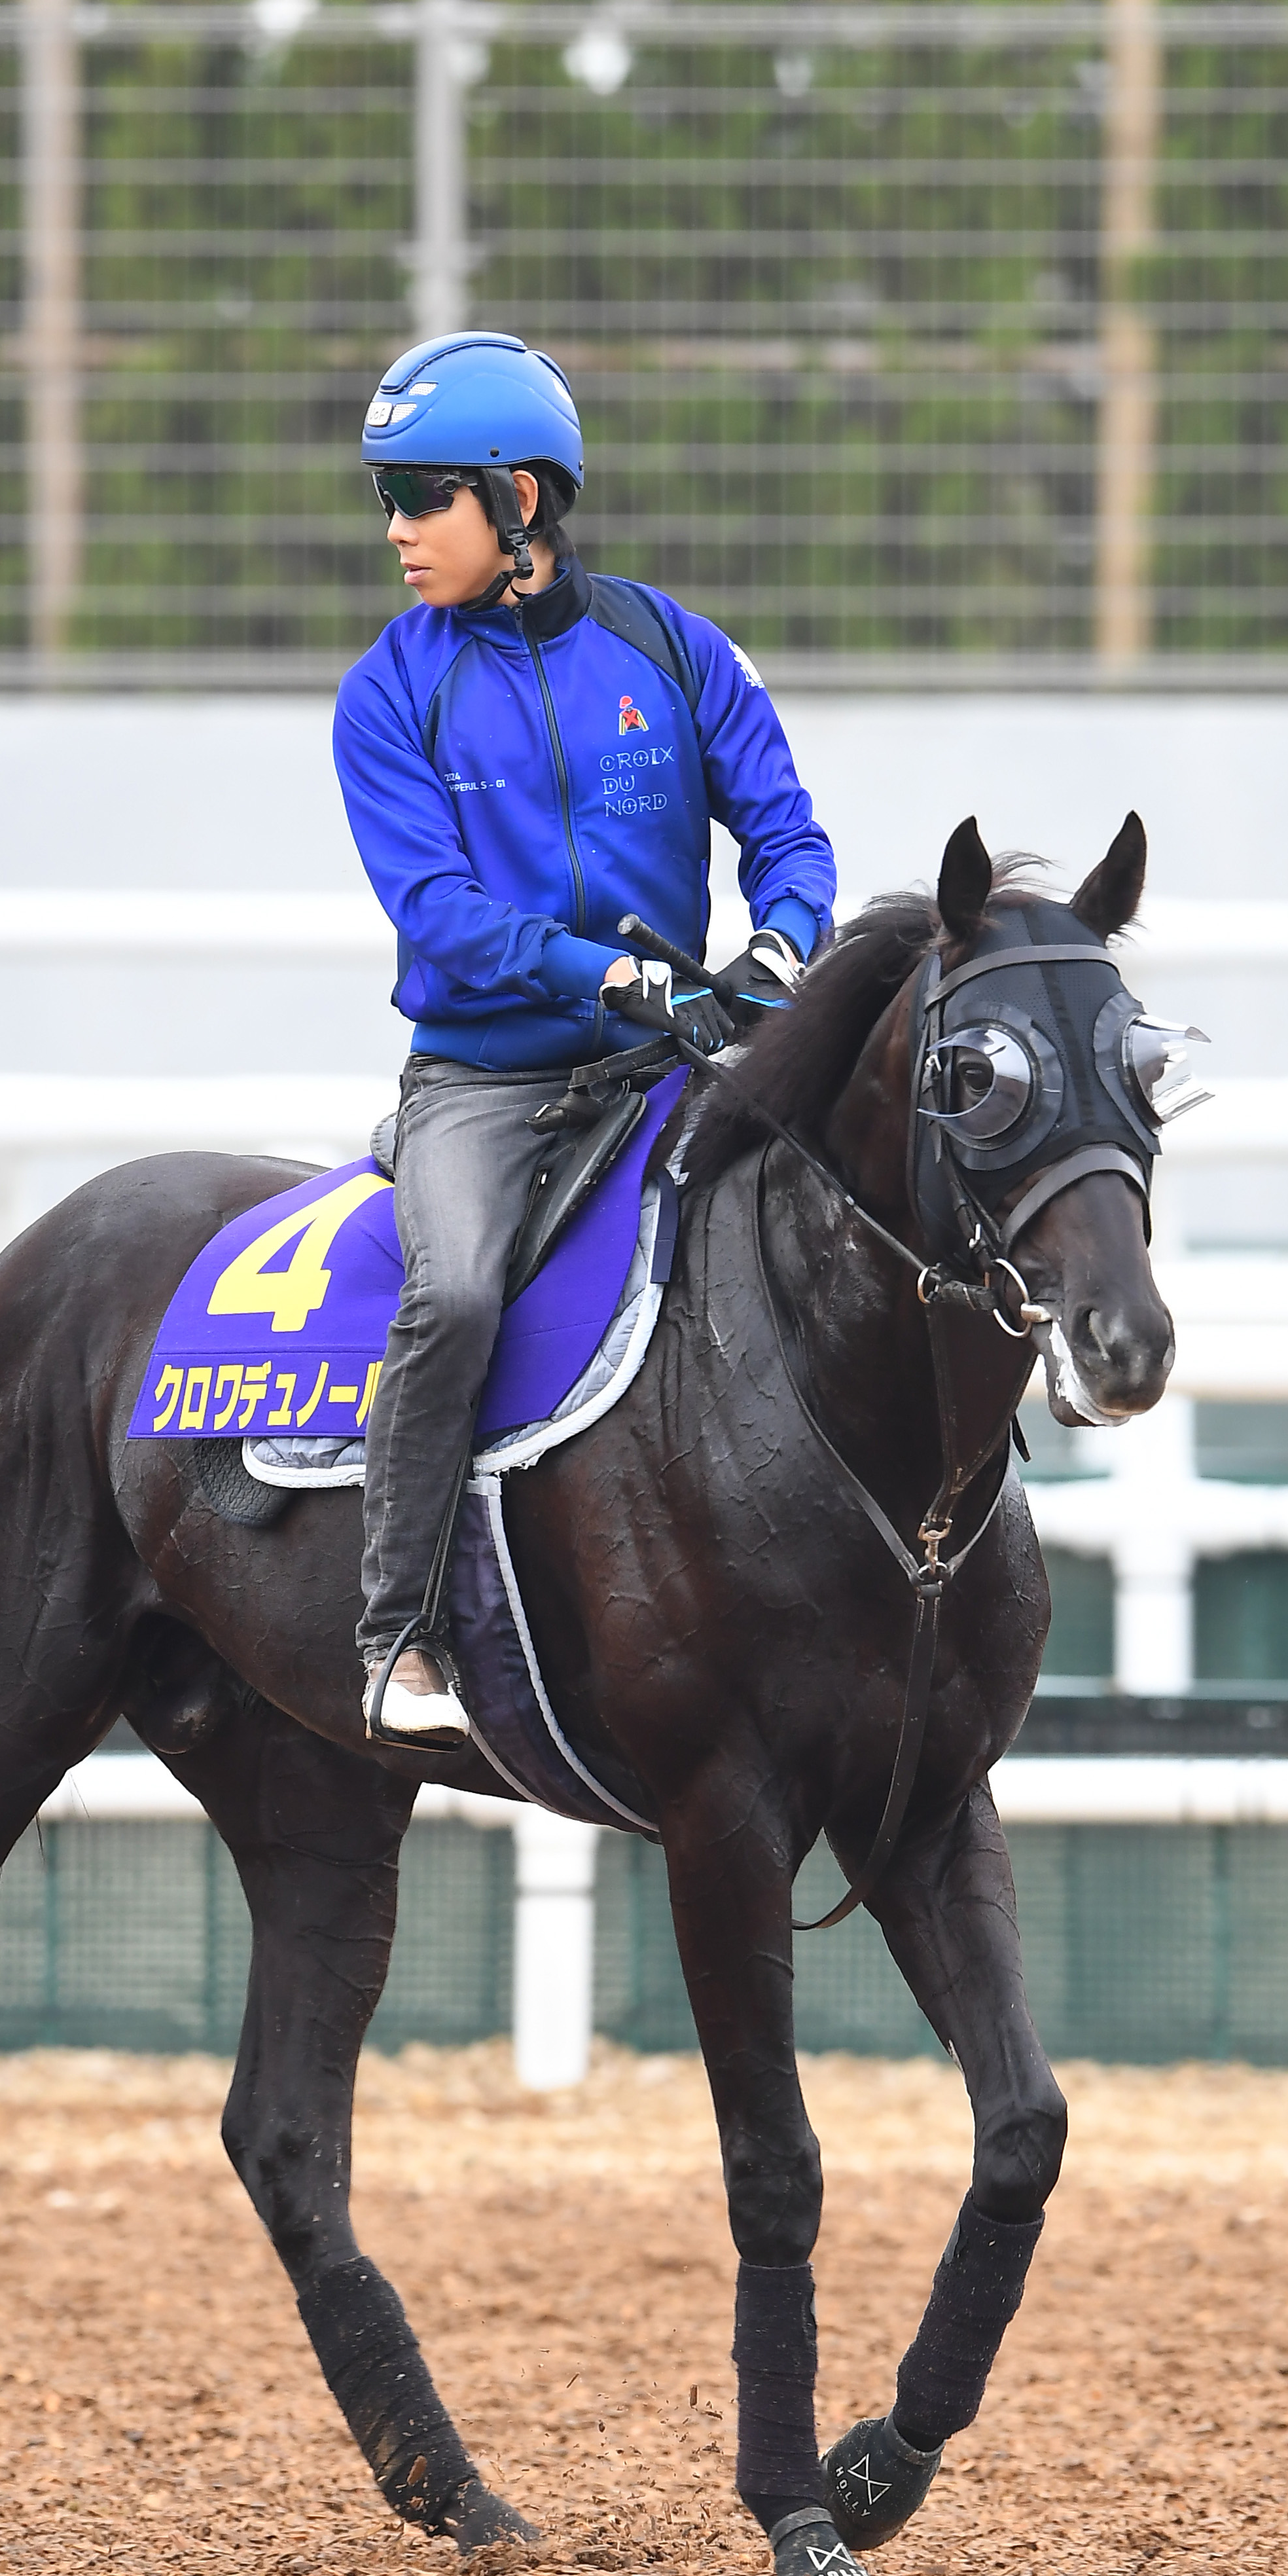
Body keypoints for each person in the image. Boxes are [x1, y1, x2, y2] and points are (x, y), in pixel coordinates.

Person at [334, 329, 838, 1746]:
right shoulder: (388, 689)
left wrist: (779, 949)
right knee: (456, 1299)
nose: (395, 532)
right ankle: (397, 1636)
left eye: (418, 496)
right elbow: (438, 914)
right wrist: (611, 978)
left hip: (672, 1062)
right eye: (384, 498)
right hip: (483, 1081)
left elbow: (789, 836)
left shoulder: (675, 647)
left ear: (518, 500)